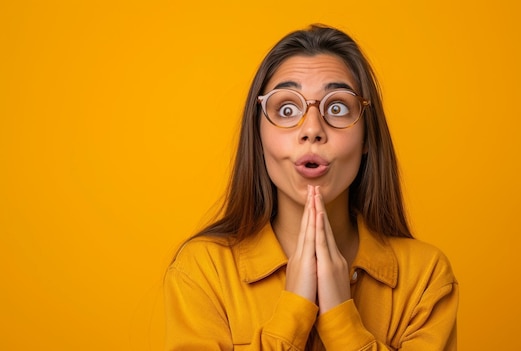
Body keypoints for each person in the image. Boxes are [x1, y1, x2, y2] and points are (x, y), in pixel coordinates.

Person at [164, 24, 458, 350]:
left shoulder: (425, 277)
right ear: (258, 136)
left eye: (337, 107)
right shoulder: (203, 272)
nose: (312, 130)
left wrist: (340, 319)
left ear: (366, 138)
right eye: (287, 109)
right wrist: (295, 310)